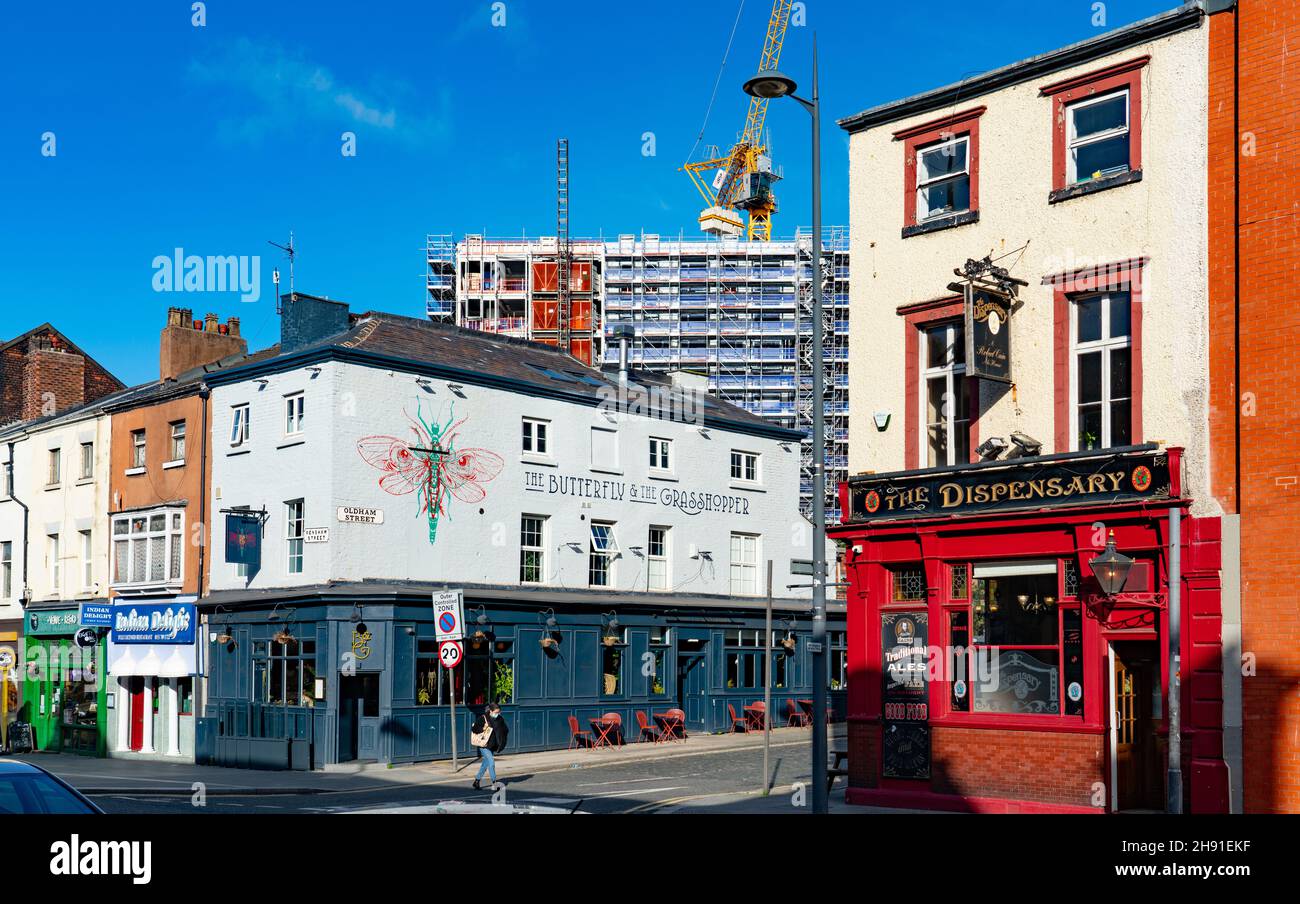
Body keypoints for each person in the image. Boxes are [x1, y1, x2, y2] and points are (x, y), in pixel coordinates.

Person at [471, 702, 509, 790]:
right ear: (491, 711)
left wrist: (501, 740)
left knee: (485, 764)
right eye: (496, 712)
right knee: (491, 763)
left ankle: (476, 781)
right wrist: (482, 728)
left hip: (493, 745)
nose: (497, 714)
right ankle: (494, 783)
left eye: (499, 712)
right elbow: (474, 729)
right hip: (484, 745)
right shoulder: (483, 718)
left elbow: (505, 729)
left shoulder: (500, 719)